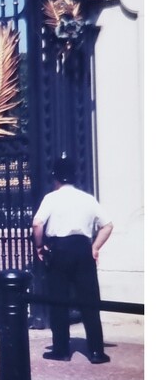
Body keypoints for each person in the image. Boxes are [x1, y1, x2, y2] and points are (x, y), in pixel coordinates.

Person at [32, 156, 113, 364]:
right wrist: (94, 247)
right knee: (89, 301)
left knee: (59, 300)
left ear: (55, 178)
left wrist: (40, 246)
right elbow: (107, 225)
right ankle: (96, 351)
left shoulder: (51, 198)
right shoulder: (87, 199)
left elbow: (37, 224)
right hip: (82, 249)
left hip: (59, 249)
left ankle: (61, 349)